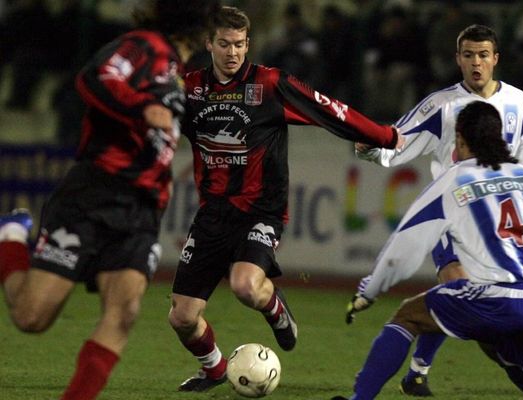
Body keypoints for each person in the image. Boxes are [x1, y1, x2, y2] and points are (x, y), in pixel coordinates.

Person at [168, 6, 401, 393]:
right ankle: (214, 369)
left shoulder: (270, 85)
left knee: (245, 286)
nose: (233, 53)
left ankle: (275, 308)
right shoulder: (190, 89)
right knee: (182, 317)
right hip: (212, 213)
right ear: (208, 44)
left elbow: (332, 110)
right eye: (224, 44)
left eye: (240, 45)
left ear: (248, 44)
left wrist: (383, 136)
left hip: (263, 209)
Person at [0, 1, 220, 399]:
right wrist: (141, 106)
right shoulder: (145, 45)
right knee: (31, 317)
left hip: (140, 212)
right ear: (200, 27)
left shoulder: (179, 75)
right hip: (95, 194)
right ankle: (11, 236)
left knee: (125, 313)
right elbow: (95, 77)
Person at [333, 100, 523, 400]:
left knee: (408, 316)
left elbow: (405, 244)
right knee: (511, 358)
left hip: (500, 300)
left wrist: (369, 291)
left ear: (460, 139)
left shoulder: (454, 178)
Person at [355, 24, 523, 396]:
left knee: (478, 313)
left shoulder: (517, 101)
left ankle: (416, 371)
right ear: (457, 59)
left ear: (495, 59)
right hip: (453, 217)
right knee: (460, 287)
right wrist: (369, 148)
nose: (476, 63)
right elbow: (396, 141)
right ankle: (414, 373)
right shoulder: (440, 106)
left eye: (483, 55)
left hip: (496, 224)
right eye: (468, 55)